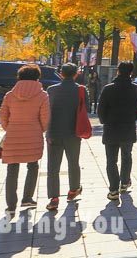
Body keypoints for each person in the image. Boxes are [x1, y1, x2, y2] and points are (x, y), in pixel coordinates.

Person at [0, 64, 50, 217]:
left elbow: (3, 116)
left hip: (13, 135)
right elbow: (45, 119)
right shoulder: (42, 96)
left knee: (12, 169)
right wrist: (38, 129)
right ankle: (27, 198)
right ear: (37, 78)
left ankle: (11, 206)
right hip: (33, 135)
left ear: (19, 77)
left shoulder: (10, 95)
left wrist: (10, 128)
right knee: (33, 166)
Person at [97, 61, 137, 200]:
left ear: (118, 71)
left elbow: (101, 110)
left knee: (111, 160)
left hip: (111, 127)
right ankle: (124, 182)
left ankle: (113, 189)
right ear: (131, 72)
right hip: (128, 127)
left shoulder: (108, 88)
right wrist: (133, 117)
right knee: (126, 156)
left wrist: (105, 120)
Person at [46, 63, 88, 211]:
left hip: (54, 132)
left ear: (61, 74)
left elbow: (47, 112)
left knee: (53, 167)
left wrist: (48, 132)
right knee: (73, 162)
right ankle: (73, 190)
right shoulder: (81, 90)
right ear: (76, 74)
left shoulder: (51, 90)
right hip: (74, 132)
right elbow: (85, 110)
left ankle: (54, 198)